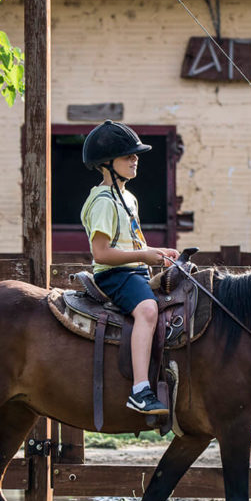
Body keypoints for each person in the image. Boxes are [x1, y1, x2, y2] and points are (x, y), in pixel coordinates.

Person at [80, 120, 179, 416]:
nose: (135, 159)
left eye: (136, 154)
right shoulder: (102, 202)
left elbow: (132, 244)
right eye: (127, 155)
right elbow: (101, 253)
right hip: (114, 275)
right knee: (147, 310)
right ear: (106, 163)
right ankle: (139, 390)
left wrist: (158, 255)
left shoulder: (128, 198)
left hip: (133, 272)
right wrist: (144, 256)